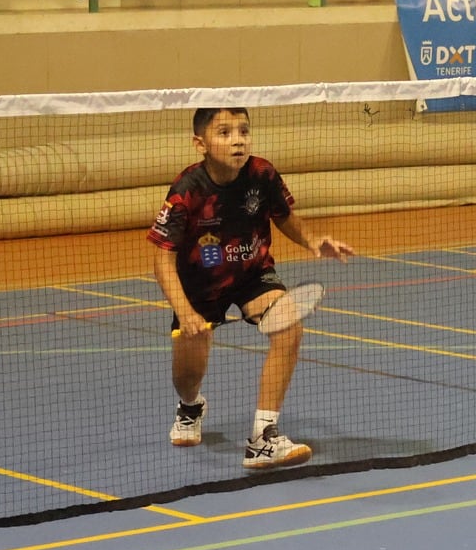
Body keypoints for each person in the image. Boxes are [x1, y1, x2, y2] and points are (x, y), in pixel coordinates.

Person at [151, 107, 354, 470]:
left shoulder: (262, 173)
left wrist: (311, 240)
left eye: (243, 131)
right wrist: (185, 311)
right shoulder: (186, 191)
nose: (237, 140)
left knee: (290, 325)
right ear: (201, 143)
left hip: (252, 275)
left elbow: (283, 216)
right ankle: (190, 406)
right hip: (199, 287)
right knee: (186, 376)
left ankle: (263, 438)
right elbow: (162, 260)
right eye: (224, 133)